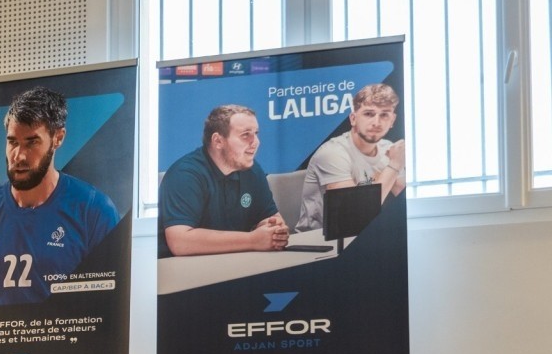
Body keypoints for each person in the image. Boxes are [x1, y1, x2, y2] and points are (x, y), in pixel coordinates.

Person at [0, 86, 120, 307]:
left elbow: (109, 306)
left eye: (32, 142)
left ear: (58, 138)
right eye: (13, 142)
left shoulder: (95, 210)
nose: (19, 156)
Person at [157, 104, 288, 259]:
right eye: (246, 135)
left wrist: (274, 231)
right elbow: (180, 242)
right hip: (184, 269)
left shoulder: (252, 170)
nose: (256, 142)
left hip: (236, 263)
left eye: (256, 133)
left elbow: (271, 218)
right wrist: (253, 240)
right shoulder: (185, 175)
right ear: (218, 141)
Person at [296, 83, 406, 232]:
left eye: (384, 115)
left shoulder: (389, 149)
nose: (376, 122)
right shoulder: (332, 153)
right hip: (320, 240)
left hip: (365, 234)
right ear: (353, 118)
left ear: (392, 121)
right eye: (369, 114)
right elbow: (354, 214)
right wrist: (394, 166)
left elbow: (404, 199)